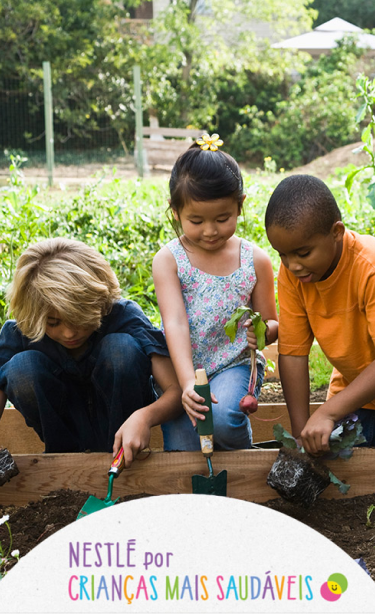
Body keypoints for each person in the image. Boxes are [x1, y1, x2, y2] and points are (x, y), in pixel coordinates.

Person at [0, 237, 183, 466]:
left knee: (121, 349)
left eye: (78, 320)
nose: (68, 333)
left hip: (124, 442)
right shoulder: (20, 332)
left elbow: (176, 392)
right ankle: (65, 463)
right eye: (54, 323)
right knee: (21, 368)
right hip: (62, 445)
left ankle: (118, 458)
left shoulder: (123, 316)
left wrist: (144, 417)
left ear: (99, 302)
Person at [152, 133, 278, 451]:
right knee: (184, 450)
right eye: (196, 220)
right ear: (176, 211)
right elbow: (175, 323)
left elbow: (272, 323)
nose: (210, 230)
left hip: (232, 364)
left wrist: (261, 333)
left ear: (240, 206)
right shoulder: (169, 260)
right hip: (182, 366)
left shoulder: (255, 260)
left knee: (222, 419)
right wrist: (186, 384)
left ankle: (244, 478)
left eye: (222, 218)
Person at [265, 173, 375, 455]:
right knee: (333, 453)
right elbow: (292, 353)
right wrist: (304, 435)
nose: (292, 265)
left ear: (336, 232)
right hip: (358, 396)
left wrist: (326, 413)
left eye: (303, 253)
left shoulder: (368, 268)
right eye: (282, 255)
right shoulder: (294, 275)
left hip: (358, 394)